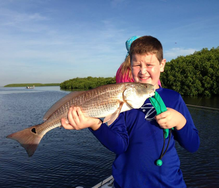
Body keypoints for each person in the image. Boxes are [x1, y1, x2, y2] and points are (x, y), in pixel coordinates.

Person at [61, 36, 200, 188]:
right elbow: (119, 146)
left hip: (170, 184)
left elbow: (193, 145)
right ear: (130, 66)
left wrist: (180, 121)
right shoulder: (121, 103)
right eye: (136, 65)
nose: (142, 71)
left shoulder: (174, 98)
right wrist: (95, 125)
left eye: (149, 64)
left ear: (162, 65)